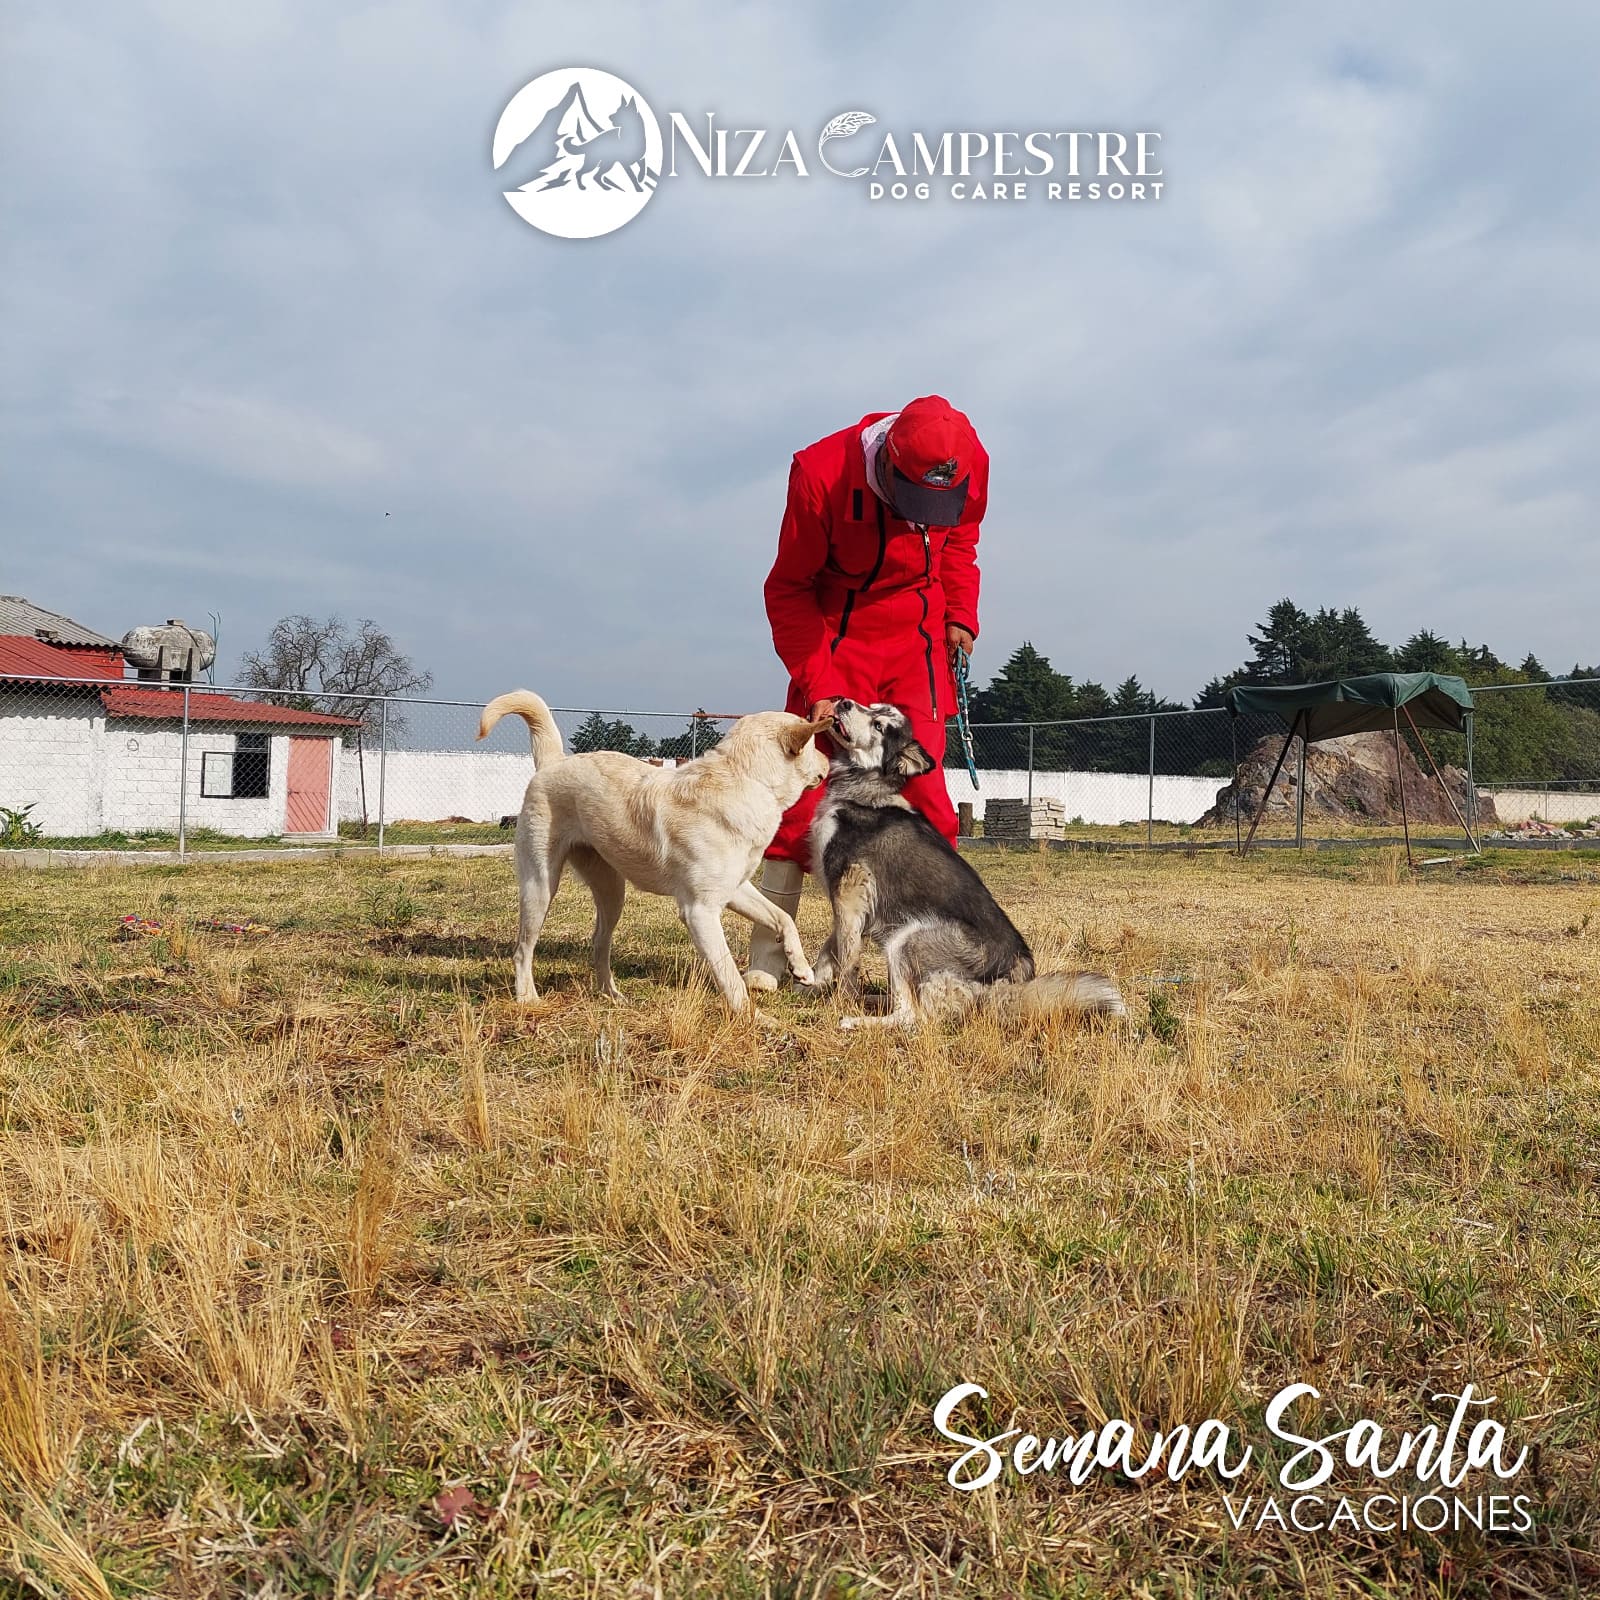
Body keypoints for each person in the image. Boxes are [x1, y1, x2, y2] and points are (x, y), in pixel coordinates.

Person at [746, 394, 988, 990]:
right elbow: (789, 589)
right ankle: (771, 959)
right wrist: (821, 684)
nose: (922, 517)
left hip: (919, 641)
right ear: (885, 466)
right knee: (804, 797)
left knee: (928, 800)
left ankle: (942, 966)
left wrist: (959, 610)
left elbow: (960, 542)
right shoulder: (820, 476)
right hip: (838, 638)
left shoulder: (970, 463)